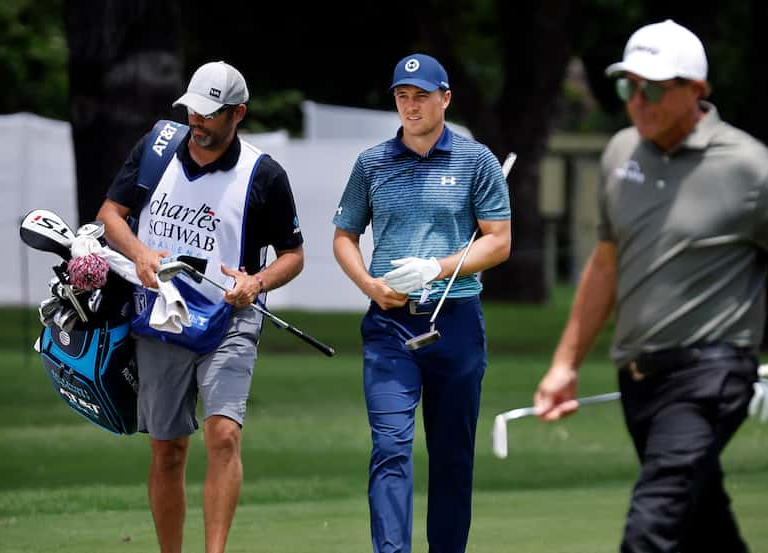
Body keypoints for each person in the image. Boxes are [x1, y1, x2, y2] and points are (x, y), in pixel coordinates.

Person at [533, 19, 768, 553]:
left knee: (653, 523)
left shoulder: (751, 169)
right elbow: (606, 263)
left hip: (711, 374)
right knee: (703, 523)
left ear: (697, 90)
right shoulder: (621, 154)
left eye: (653, 88)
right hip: (639, 378)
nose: (638, 101)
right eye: (628, 87)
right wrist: (564, 364)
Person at [97, 60, 304, 553]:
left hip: (231, 317)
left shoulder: (264, 174)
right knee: (167, 450)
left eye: (210, 113)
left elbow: (293, 255)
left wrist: (256, 282)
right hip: (161, 315)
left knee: (224, 435)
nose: (198, 121)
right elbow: (110, 216)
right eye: (193, 110)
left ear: (238, 113)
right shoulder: (156, 148)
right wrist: (142, 253)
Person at [332, 53, 511, 553]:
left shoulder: (477, 160)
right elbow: (344, 235)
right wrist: (369, 284)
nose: (410, 106)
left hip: (456, 321)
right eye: (402, 97)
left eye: (421, 96)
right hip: (390, 324)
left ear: (445, 98)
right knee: (390, 447)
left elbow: (498, 241)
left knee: (453, 457)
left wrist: (437, 267)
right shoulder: (372, 162)